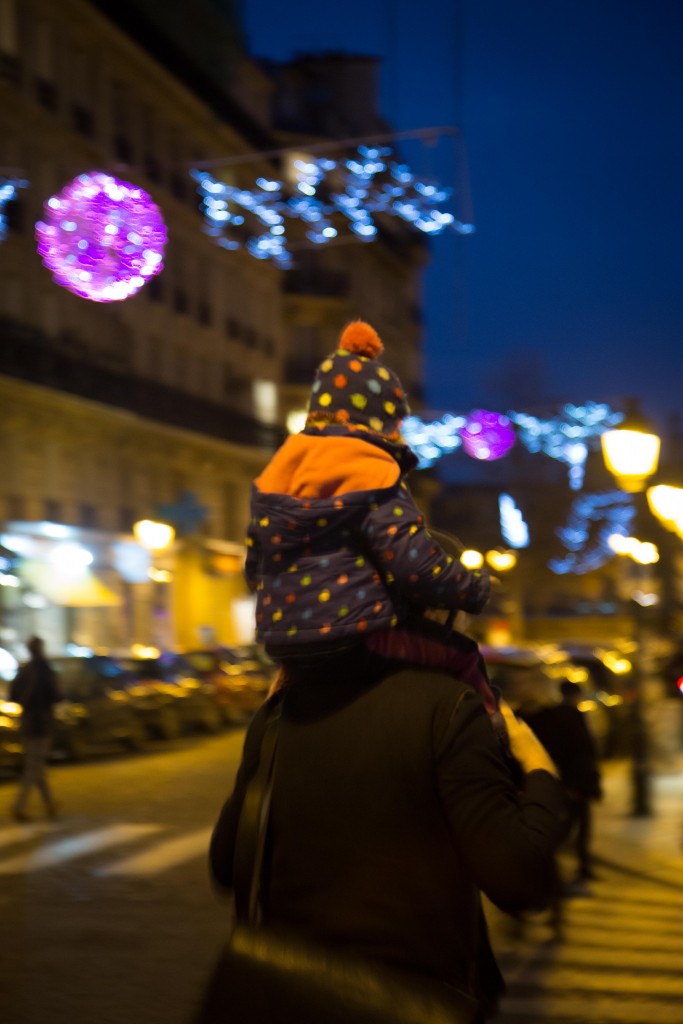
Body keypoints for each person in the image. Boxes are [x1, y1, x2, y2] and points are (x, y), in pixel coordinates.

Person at [209, 648, 565, 1020]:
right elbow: (520, 880)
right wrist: (540, 771)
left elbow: (226, 863)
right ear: (433, 610)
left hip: (287, 997)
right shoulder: (447, 707)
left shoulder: (283, 708)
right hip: (410, 1000)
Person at [246, 319, 499, 725]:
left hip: (285, 645)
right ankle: (495, 737)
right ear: (382, 421)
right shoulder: (373, 474)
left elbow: (253, 568)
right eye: (397, 423)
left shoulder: (276, 478)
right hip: (363, 637)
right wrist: (473, 589)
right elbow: (414, 566)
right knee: (462, 655)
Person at [518, 679, 602, 884]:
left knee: (579, 825)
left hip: (576, 782)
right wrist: (573, 783)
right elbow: (576, 753)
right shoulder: (566, 718)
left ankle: (582, 865)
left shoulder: (562, 716)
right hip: (573, 783)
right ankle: (548, 864)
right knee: (566, 827)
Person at [10, 636, 60, 822]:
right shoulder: (45, 670)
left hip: (27, 723)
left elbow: (13, 695)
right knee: (34, 767)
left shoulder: (24, 670)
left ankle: (50, 805)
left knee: (35, 764)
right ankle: (19, 806)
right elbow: (56, 695)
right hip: (43, 723)